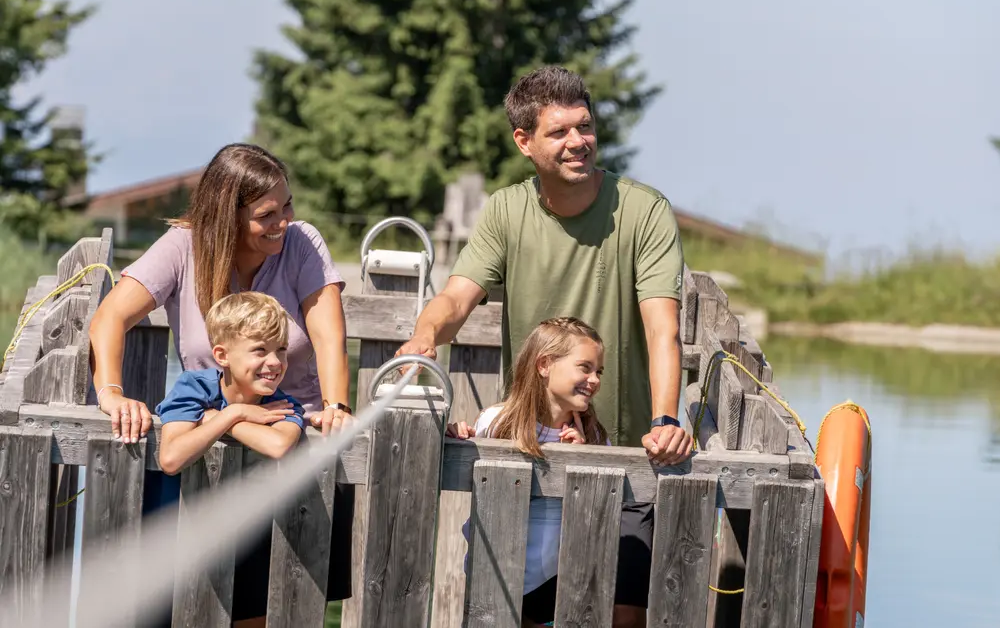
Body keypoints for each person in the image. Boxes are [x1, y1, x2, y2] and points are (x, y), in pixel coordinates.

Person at [397, 65, 694, 627]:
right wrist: (423, 338)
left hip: (628, 459)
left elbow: (663, 329)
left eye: (584, 127)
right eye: (559, 132)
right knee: (514, 614)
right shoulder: (508, 210)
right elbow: (456, 299)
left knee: (620, 617)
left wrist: (664, 419)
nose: (578, 142)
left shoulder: (644, 210)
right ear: (525, 142)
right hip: (529, 460)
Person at [88, 142, 354, 622]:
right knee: (184, 600)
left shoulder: (302, 243)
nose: (283, 221)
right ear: (227, 215)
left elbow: (329, 337)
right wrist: (112, 393)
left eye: (287, 205)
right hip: (204, 454)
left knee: (280, 602)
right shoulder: (181, 247)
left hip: (288, 438)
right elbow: (109, 317)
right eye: (267, 213)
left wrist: (336, 405)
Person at [448, 317, 609, 628]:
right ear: (545, 364)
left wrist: (586, 456)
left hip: (561, 585)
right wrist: (455, 436)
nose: (595, 379)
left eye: (598, 371)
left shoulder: (596, 438)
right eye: (585, 367)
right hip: (495, 573)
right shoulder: (496, 422)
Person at [156, 292, 305, 476]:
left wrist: (214, 418)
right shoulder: (194, 388)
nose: (275, 361)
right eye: (260, 350)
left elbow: (279, 446)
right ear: (222, 356)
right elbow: (171, 460)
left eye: (281, 350)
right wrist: (235, 413)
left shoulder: (283, 405)